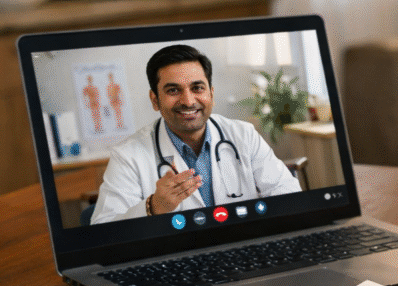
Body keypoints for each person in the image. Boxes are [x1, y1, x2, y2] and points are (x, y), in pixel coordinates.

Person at [91, 44, 301, 224]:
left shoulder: (243, 135)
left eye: (197, 88)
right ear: (155, 100)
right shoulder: (128, 155)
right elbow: (103, 228)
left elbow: (288, 195)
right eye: (173, 90)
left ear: (211, 93)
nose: (189, 101)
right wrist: (154, 207)